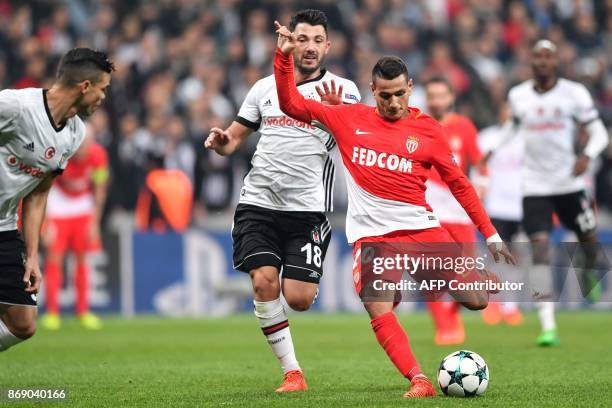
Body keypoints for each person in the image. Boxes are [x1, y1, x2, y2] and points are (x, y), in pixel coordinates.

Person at [274, 22, 514, 398]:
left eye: (400, 94)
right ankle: (419, 380)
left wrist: (491, 234)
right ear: (372, 91)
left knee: (476, 301)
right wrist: (284, 57)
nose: (393, 103)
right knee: (377, 305)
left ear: (410, 88)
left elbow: (460, 184)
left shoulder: (429, 131)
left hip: (420, 229)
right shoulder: (349, 118)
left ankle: (476, 276)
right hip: (374, 237)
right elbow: (291, 104)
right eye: (385, 96)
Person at [204, 10, 360, 393]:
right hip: (258, 202)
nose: (309, 47)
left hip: (307, 210)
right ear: (290, 41)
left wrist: (340, 116)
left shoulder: (343, 90)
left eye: (316, 40)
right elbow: (235, 138)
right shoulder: (263, 88)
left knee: (300, 298)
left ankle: (304, 281)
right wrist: (223, 143)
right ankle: (293, 372)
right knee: (263, 281)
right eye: (302, 38)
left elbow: (357, 137)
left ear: (328, 46)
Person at [483, 40, 609, 346]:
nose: (542, 62)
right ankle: (547, 325)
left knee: (588, 242)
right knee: (540, 250)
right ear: (530, 61)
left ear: (556, 62)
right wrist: (491, 150)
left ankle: (590, 269)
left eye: (548, 57)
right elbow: (511, 128)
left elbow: (599, 133)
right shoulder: (519, 95)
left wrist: (587, 155)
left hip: (569, 183)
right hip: (534, 187)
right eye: (537, 56)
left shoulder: (574, 94)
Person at [0, 48, 113, 351]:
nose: (104, 97)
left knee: (23, 323)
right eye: (103, 89)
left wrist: (33, 255)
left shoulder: (75, 134)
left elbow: (39, 192)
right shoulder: (16, 106)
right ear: (85, 87)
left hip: (6, 226)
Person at [424, 76, 488, 345]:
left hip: (459, 207)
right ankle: (444, 326)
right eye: (432, 96)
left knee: (466, 274)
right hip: (429, 206)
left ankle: (452, 313)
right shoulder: (418, 125)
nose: (436, 101)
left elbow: (480, 162)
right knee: (431, 272)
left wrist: (482, 186)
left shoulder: (464, 126)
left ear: (451, 98)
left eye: (441, 95)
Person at [40, 131, 109, 331]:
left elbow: (99, 188)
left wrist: (94, 222)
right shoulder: (60, 154)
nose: (83, 151)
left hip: (83, 205)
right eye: (81, 146)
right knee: (54, 257)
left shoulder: (98, 155)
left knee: (82, 259)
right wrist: (47, 222)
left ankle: (83, 311)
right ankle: (52, 312)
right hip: (58, 203)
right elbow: (45, 187)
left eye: (87, 146)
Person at [478, 102, 524, 326]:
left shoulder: (526, 139)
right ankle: (493, 303)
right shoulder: (487, 138)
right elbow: (477, 167)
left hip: (521, 206)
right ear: (500, 112)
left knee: (516, 259)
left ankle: (511, 306)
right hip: (495, 206)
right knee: (497, 257)